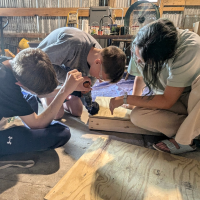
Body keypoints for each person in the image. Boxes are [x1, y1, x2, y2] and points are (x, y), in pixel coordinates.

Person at [109, 18, 200, 154]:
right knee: (138, 116)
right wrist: (132, 103)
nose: (137, 60)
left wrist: (125, 98)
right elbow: (140, 77)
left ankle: (185, 139)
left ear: (162, 58)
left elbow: (167, 101)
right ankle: (192, 130)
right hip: (175, 98)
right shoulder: (143, 41)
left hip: (193, 99)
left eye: (145, 61)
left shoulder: (190, 48)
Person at [0, 48, 91, 155]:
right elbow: (36, 124)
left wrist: (71, 87)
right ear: (19, 84)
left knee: (31, 99)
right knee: (61, 133)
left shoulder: (13, 63)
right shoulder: (6, 84)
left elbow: (37, 93)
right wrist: (64, 91)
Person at [37, 27, 126, 119]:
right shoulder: (72, 45)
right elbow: (41, 61)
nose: (99, 81)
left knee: (77, 111)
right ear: (97, 62)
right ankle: (42, 97)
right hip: (41, 68)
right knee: (57, 114)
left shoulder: (100, 57)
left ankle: (60, 97)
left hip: (65, 71)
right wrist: (72, 82)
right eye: (101, 77)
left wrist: (87, 99)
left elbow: (86, 86)